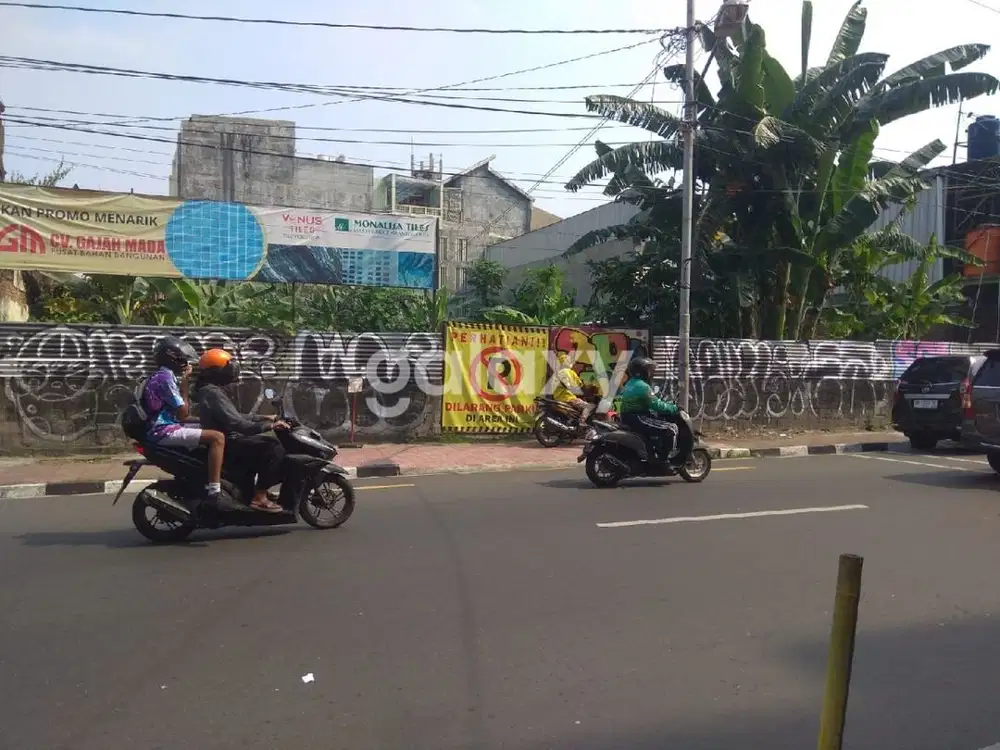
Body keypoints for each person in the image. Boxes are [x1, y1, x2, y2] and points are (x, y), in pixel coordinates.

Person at [194, 347, 288, 514]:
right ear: (217, 372)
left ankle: (252, 491)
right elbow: (238, 424)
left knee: (260, 446)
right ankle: (259, 498)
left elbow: (235, 416)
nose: (232, 371)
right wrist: (268, 426)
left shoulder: (211, 390)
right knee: (274, 448)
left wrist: (264, 417)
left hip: (228, 438)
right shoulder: (212, 393)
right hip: (229, 441)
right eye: (228, 367)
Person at [142, 336, 226, 499]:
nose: (185, 363)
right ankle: (215, 490)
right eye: (182, 359)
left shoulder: (162, 375)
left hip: (165, 425)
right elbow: (183, 413)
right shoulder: (164, 378)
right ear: (172, 358)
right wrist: (186, 382)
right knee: (217, 437)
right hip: (162, 430)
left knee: (210, 427)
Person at [617, 356, 681, 460]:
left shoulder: (630, 383)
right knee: (671, 428)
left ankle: (653, 452)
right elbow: (656, 405)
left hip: (629, 416)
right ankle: (665, 460)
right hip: (638, 417)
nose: (651, 373)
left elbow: (645, 401)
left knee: (658, 423)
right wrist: (674, 408)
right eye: (649, 370)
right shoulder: (642, 386)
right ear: (642, 371)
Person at [551, 351, 594, 427]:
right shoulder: (568, 372)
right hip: (567, 398)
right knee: (589, 406)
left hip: (559, 398)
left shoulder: (558, 373)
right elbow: (578, 386)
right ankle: (582, 422)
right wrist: (589, 387)